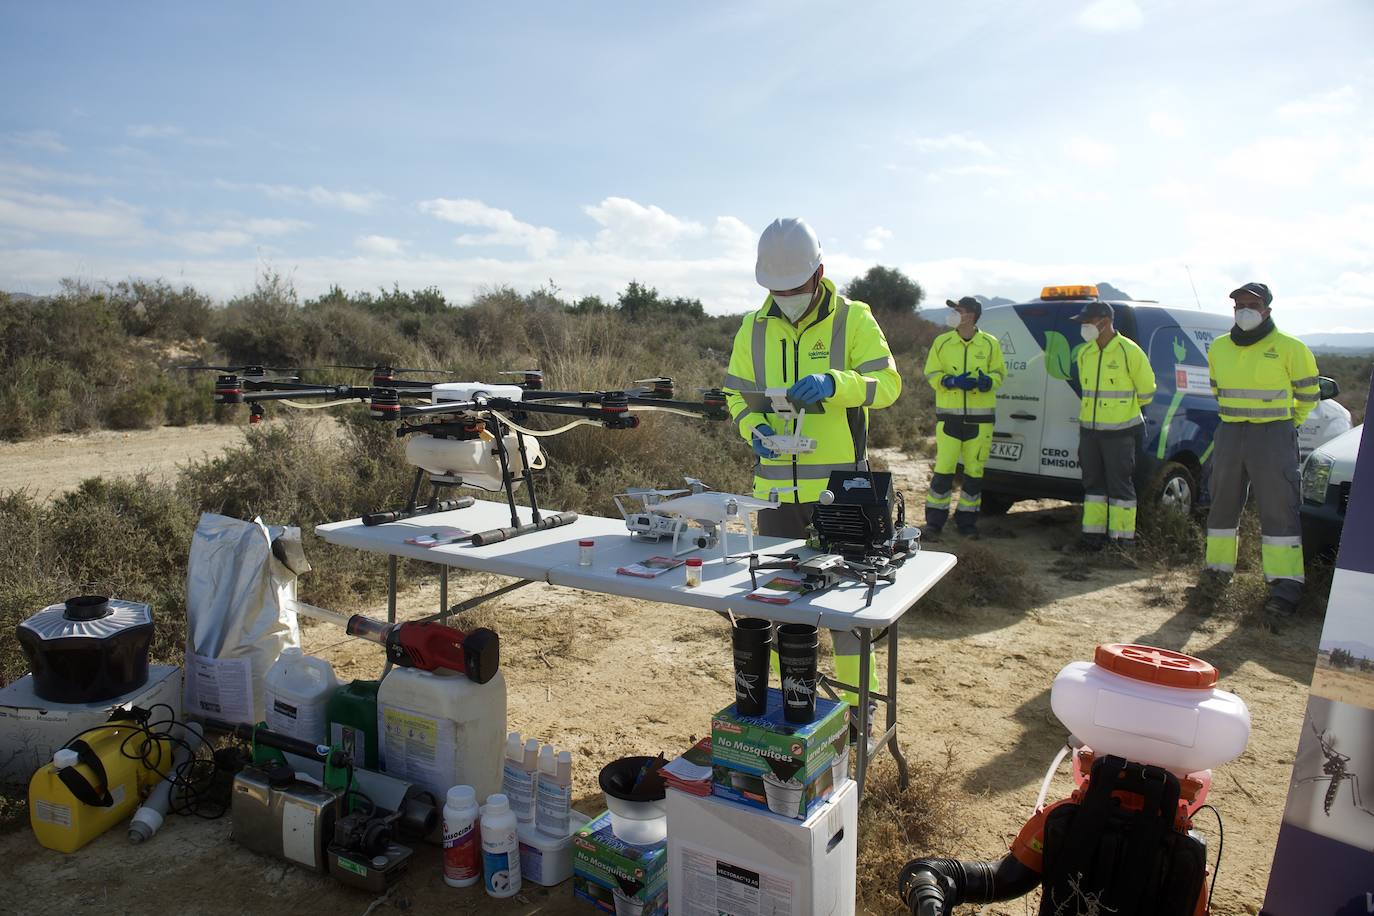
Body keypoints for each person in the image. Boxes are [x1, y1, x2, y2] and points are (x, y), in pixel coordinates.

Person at [722, 217, 902, 716]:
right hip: (776, 497)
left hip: (842, 496)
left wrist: (834, 382)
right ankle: (796, 707)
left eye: (795, 287)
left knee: (845, 613)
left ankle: (855, 710)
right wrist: (751, 428)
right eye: (775, 289)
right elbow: (735, 394)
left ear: (819, 273)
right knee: (782, 609)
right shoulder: (753, 327)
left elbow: (887, 386)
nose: (785, 296)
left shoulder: (854, 319)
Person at [1203, 282, 1319, 630]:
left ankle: (1285, 588)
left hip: (1274, 436)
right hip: (1230, 433)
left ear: (1267, 308)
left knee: (1278, 509)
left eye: (1251, 304)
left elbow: (1308, 395)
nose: (1244, 310)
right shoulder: (1220, 348)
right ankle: (1216, 574)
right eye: (1238, 305)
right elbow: (1216, 390)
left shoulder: (1290, 347)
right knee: (1222, 503)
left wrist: (1285, 426)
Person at [1072, 301, 1156, 551]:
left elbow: (1146, 391)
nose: (1084, 327)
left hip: (1120, 433)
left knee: (1120, 486)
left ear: (1104, 321)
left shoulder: (1129, 351)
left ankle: (1121, 542)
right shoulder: (1085, 353)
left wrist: (1121, 411)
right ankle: (1092, 538)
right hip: (1090, 432)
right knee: (1093, 486)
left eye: (1088, 322)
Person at [922, 296, 1005, 540]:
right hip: (949, 420)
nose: (955, 314)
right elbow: (931, 373)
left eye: (959, 310)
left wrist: (987, 381)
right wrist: (949, 381)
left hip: (980, 423)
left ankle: (967, 523)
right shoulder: (943, 342)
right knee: (943, 471)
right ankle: (934, 524)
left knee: (974, 473)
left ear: (971, 315)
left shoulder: (990, 344)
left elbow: (999, 374)